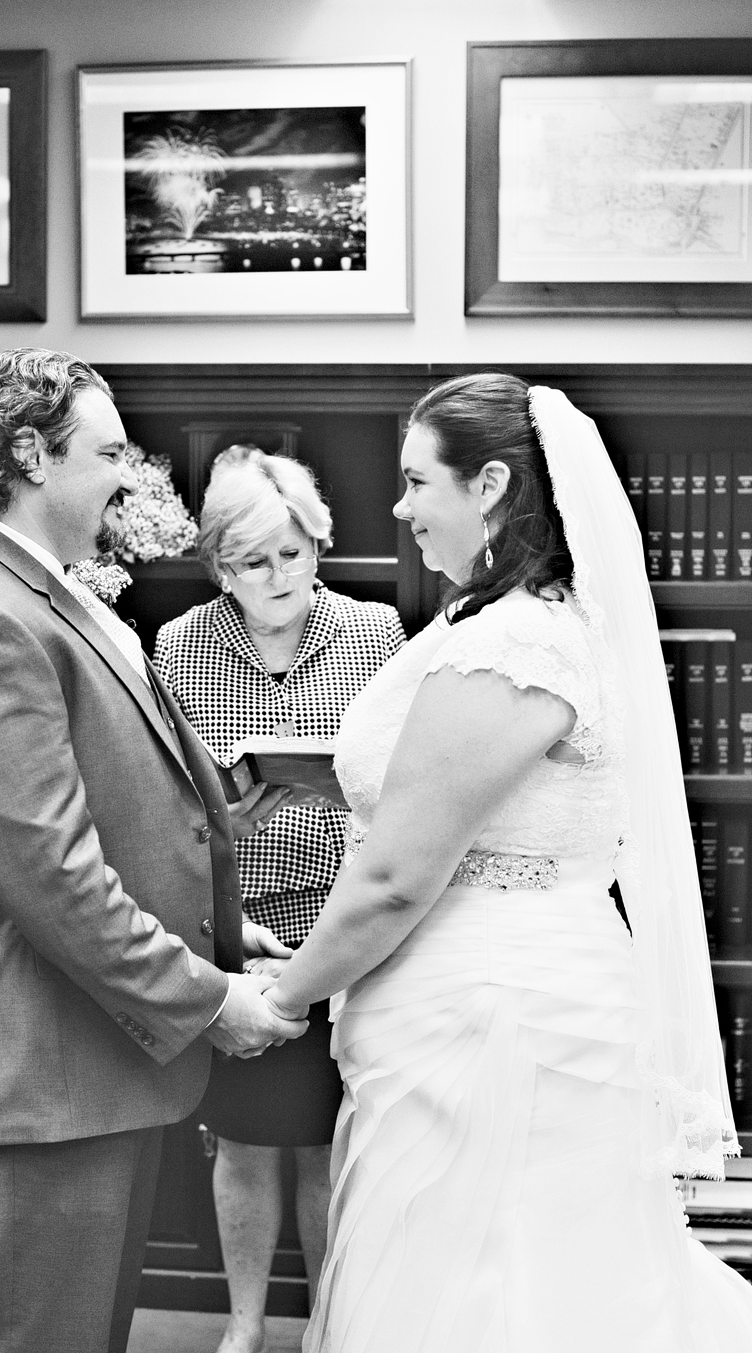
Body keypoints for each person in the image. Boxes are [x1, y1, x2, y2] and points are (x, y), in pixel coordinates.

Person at [264, 373, 752, 1352]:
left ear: (487, 485)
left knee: (482, 1292)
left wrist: (280, 1000)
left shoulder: (512, 644)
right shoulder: (517, 626)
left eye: (415, 481)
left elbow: (398, 875)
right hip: (523, 988)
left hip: (489, 1018)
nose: (398, 507)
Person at [0, 350, 307, 1353]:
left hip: (88, 1073)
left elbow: (121, 812)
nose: (131, 475)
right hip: (39, 1088)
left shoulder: (43, 592)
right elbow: (57, 883)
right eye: (111, 450)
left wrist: (223, 929)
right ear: (33, 454)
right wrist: (211, 998)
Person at [153, 445, 406, 1353]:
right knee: (249, 1143)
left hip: (351, 926)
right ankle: (247, 1324)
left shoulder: (377, 633)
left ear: (318, 545)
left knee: (331, 1144)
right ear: (220, 564)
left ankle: (329, 1325)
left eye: (293, 554)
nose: (277, 576)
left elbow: (403, 782)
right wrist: (224, 838)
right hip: (241, 932)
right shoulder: (180, 646)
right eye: (252, 561)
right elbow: (169, 799)